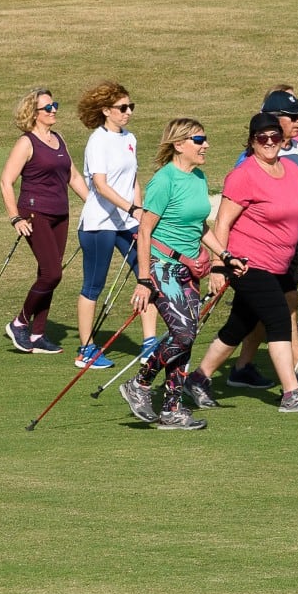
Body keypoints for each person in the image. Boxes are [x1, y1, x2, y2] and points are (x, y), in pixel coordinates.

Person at [184, 114, 298, 413]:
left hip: (278, 266)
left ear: (283, 139)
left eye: (274, 137)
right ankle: (292, 394)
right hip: (247, 263)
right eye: (261, 138)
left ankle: (197, 379)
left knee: (239, 325)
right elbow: (222, 222)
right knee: (278, 318)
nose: (268, 143)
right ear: (251, 141)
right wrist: (219, 264)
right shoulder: (244, 175)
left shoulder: (291, 170)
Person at [229, 88, 298, 392]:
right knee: (283, 306)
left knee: (250, 316)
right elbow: (235, 209)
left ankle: (238, 368)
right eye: (293, 117)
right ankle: (297, 369)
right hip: (258, 249)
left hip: (290, 242)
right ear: (275, 120)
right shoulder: (251, 160)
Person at [120, 119, 219, 430]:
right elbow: (145, 231)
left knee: (186, 339)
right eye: (199, 140)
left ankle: (172, 409)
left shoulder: (199, 177)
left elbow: (200, 226)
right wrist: (144, 279)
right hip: (162, 269)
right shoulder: (165, 180)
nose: (206, 145)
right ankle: (140, 382)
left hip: (189, 270)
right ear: (179, 145)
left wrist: (224, 256)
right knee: (184, 334)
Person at [0, 87, 89, 354]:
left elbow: (73, 177)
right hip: (35, 212)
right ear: (34, 114)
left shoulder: (58, 138)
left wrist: (95, 204)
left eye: (55, 106)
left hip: (60, 214)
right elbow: (6, 181)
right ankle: (19, 323)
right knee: (52, 273)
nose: (54, 111)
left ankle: (37, 335)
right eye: (48, 108)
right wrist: (15, 217)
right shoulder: (26, 142)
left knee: (47, 274)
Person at [74, 82, 146, 369]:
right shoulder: (97, 141)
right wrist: (129, 207)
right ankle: (86, 349)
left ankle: (151, 341)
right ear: (106, 111)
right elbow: (101, 186)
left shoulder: (130, 138)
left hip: (126, 222)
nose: (128, 112)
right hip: (98, 224)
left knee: (146, 274)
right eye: (122, 108)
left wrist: (138, 211)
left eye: (131, 107)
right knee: (94, 285)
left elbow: (133, 179)